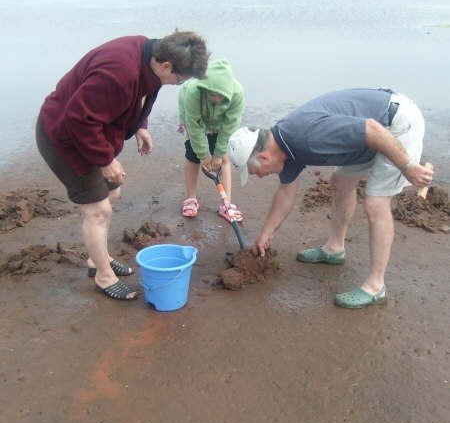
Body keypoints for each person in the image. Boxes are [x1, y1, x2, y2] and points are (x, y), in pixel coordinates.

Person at [36, 31, 209, 301]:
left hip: (88, 133)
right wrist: (105, 160)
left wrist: (140, 125)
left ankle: (98, 259)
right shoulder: (118, 71)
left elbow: (145, 92)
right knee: (97, 209)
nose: (178, 84)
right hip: (63, 136)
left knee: (112, 192)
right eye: (179, 79)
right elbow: (78, 119)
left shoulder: (151, 53)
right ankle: (103, 277)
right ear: (165, 66)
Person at [227, 88, 434, 308]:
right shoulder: (283, 146)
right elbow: (286, 191)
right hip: (372, 136)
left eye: (255, 170)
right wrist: (265, 234)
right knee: (341, 182)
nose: (258, 176)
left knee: (376, 202)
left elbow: (373, 130)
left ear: (263, 156)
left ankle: (376, 286)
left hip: (396, 126)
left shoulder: (307, 136)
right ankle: (335, 248)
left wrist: (408, 166)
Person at [177, 59, 244, 222]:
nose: (216, 98)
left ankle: (226, 204)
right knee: (193, 155)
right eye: (212, 94)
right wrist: (203, 155)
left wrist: (218, 154)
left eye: (220, 95)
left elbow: (229, 127)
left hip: (219, 123)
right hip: (194, 116)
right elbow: (194, 126)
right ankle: (191, 199)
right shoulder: (193, 91)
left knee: (224, 158)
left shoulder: (237, 93)